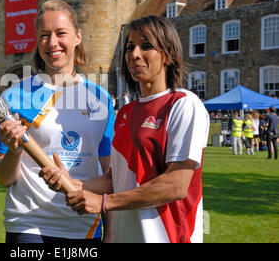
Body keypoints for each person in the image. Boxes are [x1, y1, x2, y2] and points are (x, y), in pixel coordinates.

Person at [41, 15, 209, 243]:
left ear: (168, 54)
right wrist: (72, 183)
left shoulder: (183, 104)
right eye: (130, 48)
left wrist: (104, 203)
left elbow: (176, 184)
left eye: (146, 46)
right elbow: (116, 180)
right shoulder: (126, 113)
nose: (134, 54)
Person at [0, 0, 115, 243]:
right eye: (44, 35)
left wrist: (77, 185)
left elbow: (110, 178)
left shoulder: (102, 99)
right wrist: (14, 152)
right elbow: (3, 178)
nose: (52, 43)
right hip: (28, 224)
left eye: (61, 33)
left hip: (84, 225)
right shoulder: (13, 97)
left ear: (78, 36)